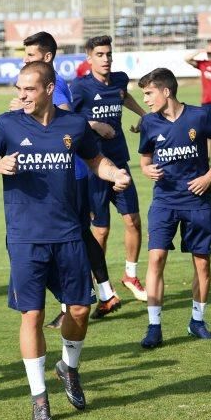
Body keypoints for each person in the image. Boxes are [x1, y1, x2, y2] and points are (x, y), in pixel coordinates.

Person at [0, 61, 131, 420]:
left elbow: (96, 160)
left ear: (48, 89)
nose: (21, 95)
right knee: (33, 314)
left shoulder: (73, 125)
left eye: (28, 89)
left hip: (68, 235)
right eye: (18, 88)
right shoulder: (6, 125)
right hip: (26, 239)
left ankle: (68, 367)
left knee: (79, 311)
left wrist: (115, 174)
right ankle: (38, 397)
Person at [7, 31, 121, 329]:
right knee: (81, 233)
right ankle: (101, 293)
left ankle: (85, 298)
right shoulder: (52, 83)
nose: (25, 59)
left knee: (74, 235)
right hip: (73, 172)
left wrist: (22, 111)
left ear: (46, 58)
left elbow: (64, 120)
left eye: (30, 55)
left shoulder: (50, 89)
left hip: (70, 175)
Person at [136, 68, 211, 349]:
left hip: (197, 201)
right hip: (164, 201)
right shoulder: (149, 123)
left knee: (202, 263)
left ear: (166, 91)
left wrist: (209, 176)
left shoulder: (200, 116)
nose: (147, 99)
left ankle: (197, 322)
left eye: (149, 93)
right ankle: (154, 327)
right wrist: (146, 170)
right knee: (156, 259)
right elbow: (144, 158)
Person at [70, 35, 148, 302]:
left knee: (133, 220)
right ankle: (101, 289)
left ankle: (130, 275)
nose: (106, 59)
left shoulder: (119, 79)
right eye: (100, 55)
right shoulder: (79, 87)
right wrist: (94, 125)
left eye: (108, 54)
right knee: (100, 231)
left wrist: (144, 115)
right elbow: (68, 117)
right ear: (89, 58)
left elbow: (123, 97)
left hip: (120, 163)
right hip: (93, 167)